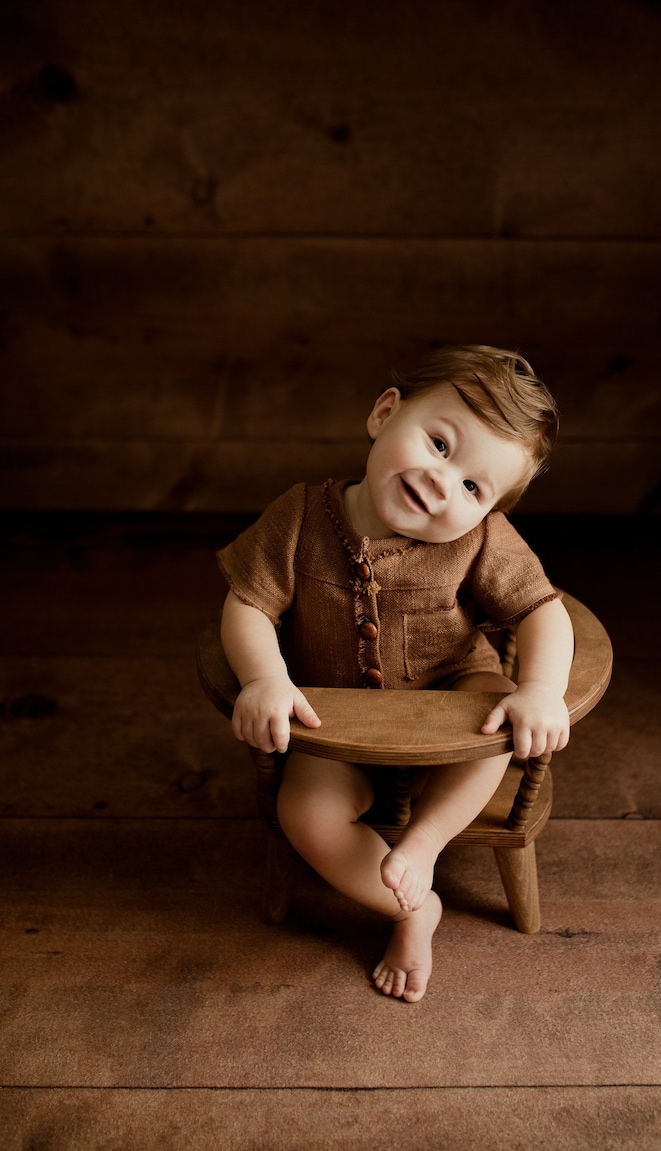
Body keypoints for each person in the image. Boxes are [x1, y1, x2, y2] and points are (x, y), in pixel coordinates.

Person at [217, 345, 574, 1003]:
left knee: (497, 707)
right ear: (385, 412)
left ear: (491, 509)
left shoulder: (481, 541)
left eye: (473, 487)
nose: (444, 482)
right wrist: (265, 676)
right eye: (439, 443)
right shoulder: (298, 516)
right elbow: (247, 604)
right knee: (305, 812)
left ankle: (423, 843)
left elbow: (543, 612)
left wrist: (542, 690)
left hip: (451, 716)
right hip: (339, 725)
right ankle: (412, 908)